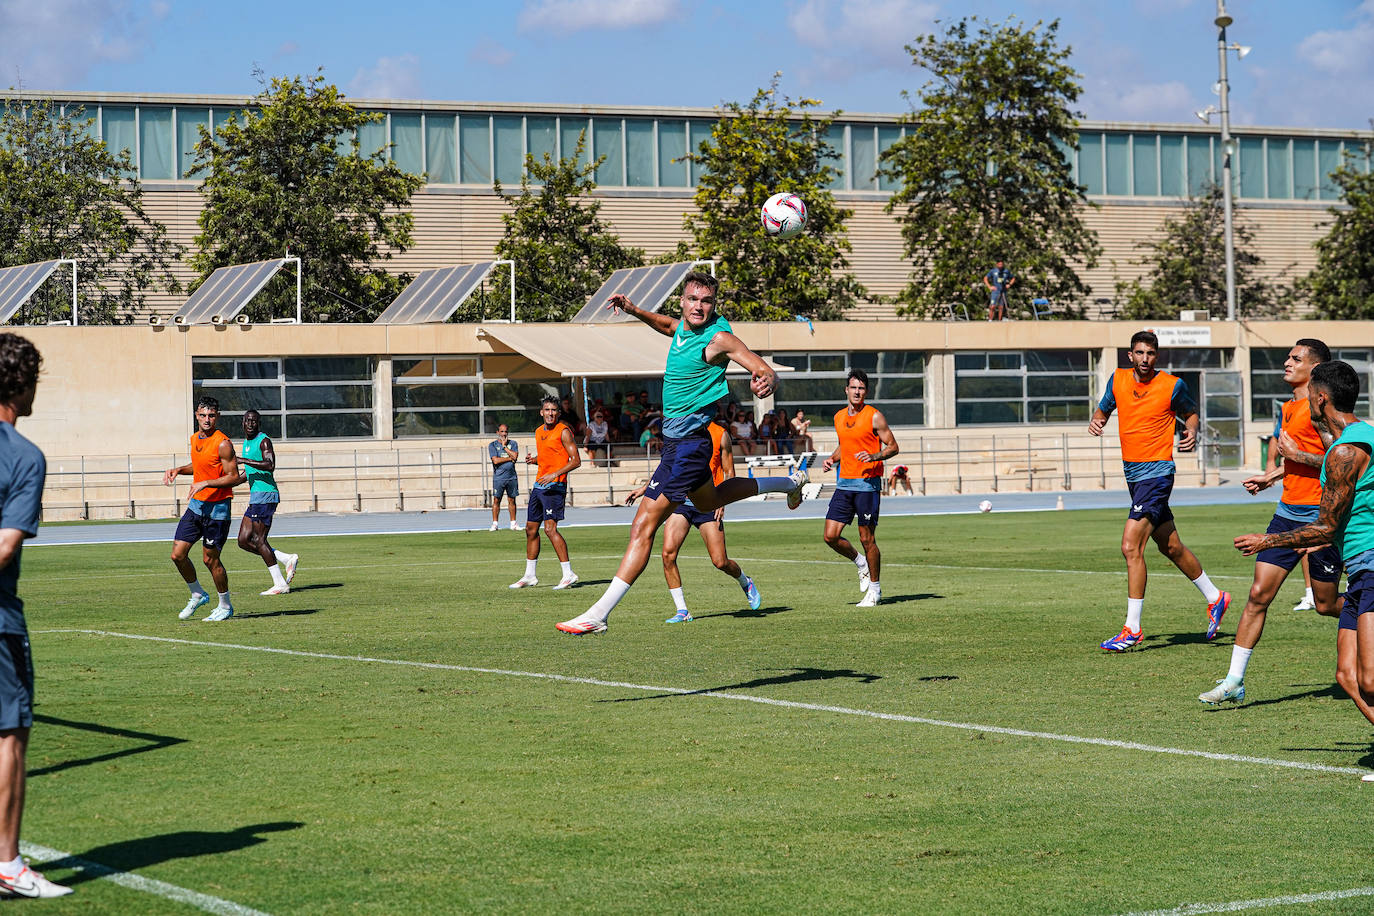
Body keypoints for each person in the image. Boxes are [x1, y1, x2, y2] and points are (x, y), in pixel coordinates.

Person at [556, 270, 807, 634]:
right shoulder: (682, 330)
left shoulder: (719, 337)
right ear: (683, 300)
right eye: (693, 299)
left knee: (643, 525)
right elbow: (666, 325)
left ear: (713, 304)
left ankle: (598, 614)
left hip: (689, 446)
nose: (698, 306)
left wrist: (769, 378)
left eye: (706, 301)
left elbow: (758, 363)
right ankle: (788, 483)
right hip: (679, 445)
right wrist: (634, 309)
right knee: (710, 500)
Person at [1234, 360, 1374, 739]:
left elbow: (1326, 526)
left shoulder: (1347, 451)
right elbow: (1327, 453)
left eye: (1311, 392)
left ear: (1322, 397)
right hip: (1359, 568)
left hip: (1371, 562)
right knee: (1347, 676)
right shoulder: (1356, 437)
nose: (1306, 397)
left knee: (1371, 678)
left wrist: (1268, 541)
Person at [1200, 340, 1340, 703]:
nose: (1286, 362)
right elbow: (1295, 458)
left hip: (1320, 518)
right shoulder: (1289, 406)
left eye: (1295, 359)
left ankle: (1366, 610)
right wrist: (1274, 474)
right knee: (1258, 596)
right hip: (1286, 513)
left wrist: (1296, 456)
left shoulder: (1320, 408)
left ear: (1316, 368)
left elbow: (1338, 459)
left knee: (1326, 604)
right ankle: (1234, 681)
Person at [1088, 330, 1230, 650]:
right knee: (1171, 547)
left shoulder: (1172, 385)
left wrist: (1191, 431)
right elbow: (1104, 409)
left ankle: (1132, 629)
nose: (1145, 359)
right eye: (1139, 353)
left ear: (1157, 356)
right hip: (1133, 475)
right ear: (1130, 356)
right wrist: (1097, 420)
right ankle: (1215, 596)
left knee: (1130, 546)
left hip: (1157, 473)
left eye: (1150, 353)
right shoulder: (1117, 380)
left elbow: (1191, 414)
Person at [0, 334, 71, 897]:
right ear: (21, 385)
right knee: (9, 736)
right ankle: (7, 862)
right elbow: (4, 546)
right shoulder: (24, 457)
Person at [625, 420, 761, 622]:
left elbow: (729, 471)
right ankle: (682, 610)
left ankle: (745, 581)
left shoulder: (720, 434)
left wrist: (723, 501)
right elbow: (667, 466)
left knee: (720, 561)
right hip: (681, 502)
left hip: (709, 502)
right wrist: (645, 488)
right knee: (667, 555)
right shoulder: (679, 428)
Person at [820, 369, 900, 607]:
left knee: (867, 539)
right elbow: (844, 445)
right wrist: (832, 459)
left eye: (861, 388)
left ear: (867, 391)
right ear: (847, 390)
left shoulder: (875, 416)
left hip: (867, 486)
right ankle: (860, 562)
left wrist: (874, 456)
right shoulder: (838, 417)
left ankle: (875, 590)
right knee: (830, 536)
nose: (857, 392)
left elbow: (893, 447)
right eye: (853, 388)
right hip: (844, 484)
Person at [163, 396, 242, 622]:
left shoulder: (223, 443)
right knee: (177, 555)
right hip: (197, 507)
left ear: (217, 416)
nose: (207, 419)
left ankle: (225, 606)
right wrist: (179, 469)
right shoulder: (195, 438)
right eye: (203, 415)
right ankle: (198, 593)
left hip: (217, 511)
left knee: (210, 560)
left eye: (211, 415)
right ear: (196, 416)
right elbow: (200, 467)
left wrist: (205, 483)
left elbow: (233, 476)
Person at [509, 397, 581, 590]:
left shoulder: (564, 432)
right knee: (530, 530)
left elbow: (575, 460)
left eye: (554, 410)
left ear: (559, 413)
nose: (550, 413)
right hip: (539, 486)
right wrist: (535, 460)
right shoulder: (539, 431)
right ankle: (529, 575)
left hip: (555, 487)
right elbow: (550, 455)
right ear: (541, 412)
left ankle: (568, 574)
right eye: (547, 410)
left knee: (550, 529)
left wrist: (555, 475)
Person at [234, 409, 299, 596]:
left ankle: (280, 584)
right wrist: (223, 485)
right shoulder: (246, 443)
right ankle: (286, 558)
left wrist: (242, 459)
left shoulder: (263, 440)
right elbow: (247, 473)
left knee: (258, 539)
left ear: (258, 423)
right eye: (247, 420)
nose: (250, 423)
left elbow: (269, 465)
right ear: (242, 422)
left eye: (254, 421)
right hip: (256, 497)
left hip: (266, 495)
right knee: (243, 540)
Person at [488, 424, 520, 530]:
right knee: (497, 500)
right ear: (497, 432)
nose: (504, 434)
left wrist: (504, 447)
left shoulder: (513, 443)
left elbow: (515, 456)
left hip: (511, 477)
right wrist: (509, 459)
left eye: (505, 432)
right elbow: (495, 460)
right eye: (501, 432)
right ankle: (495, 524)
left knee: (512, 500)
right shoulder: (492, 445)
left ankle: (513, 523)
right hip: (499, 478)